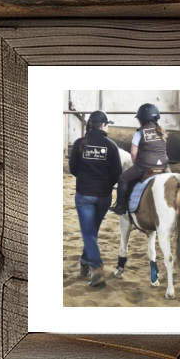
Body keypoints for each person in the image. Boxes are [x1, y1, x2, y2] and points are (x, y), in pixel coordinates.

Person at [69, 110, 122, 287]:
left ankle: (97, 269)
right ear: (104, 125)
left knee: (88, 233)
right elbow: (117, 174)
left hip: (84, 195)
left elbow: (73, 170)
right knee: (91, 232)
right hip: (104, 196)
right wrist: (105, 185)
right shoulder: (111, 146)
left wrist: (86, 178)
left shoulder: (79, 143)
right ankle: (84, 264)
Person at [109, 103, 171, 215]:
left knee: (123, 178)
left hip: (145, 166)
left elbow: (133, 154)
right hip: (163, 165)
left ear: (141, 119)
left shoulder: (139, 133)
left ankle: (121, 206)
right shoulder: (161, 131)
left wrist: (136, 164)